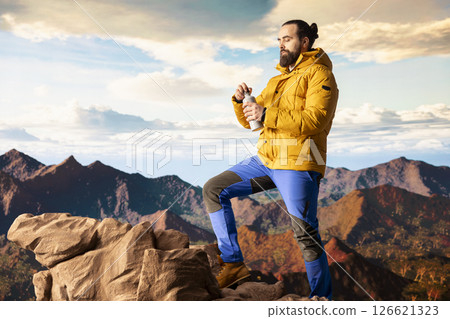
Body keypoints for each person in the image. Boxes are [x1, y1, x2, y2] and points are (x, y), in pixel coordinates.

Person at [203, 20, 338, 300]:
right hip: (266, 160)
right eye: (278, 40)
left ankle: (322, 298)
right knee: (214, 188)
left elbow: (316, 120)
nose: (280, 45)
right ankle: (233, 264)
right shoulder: (277, 80)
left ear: (304, 42)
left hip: (298, 160)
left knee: (305, 234)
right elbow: (250, 120)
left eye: (287, 39)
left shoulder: (320, 75)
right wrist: (241, 102)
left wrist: (266, 114)